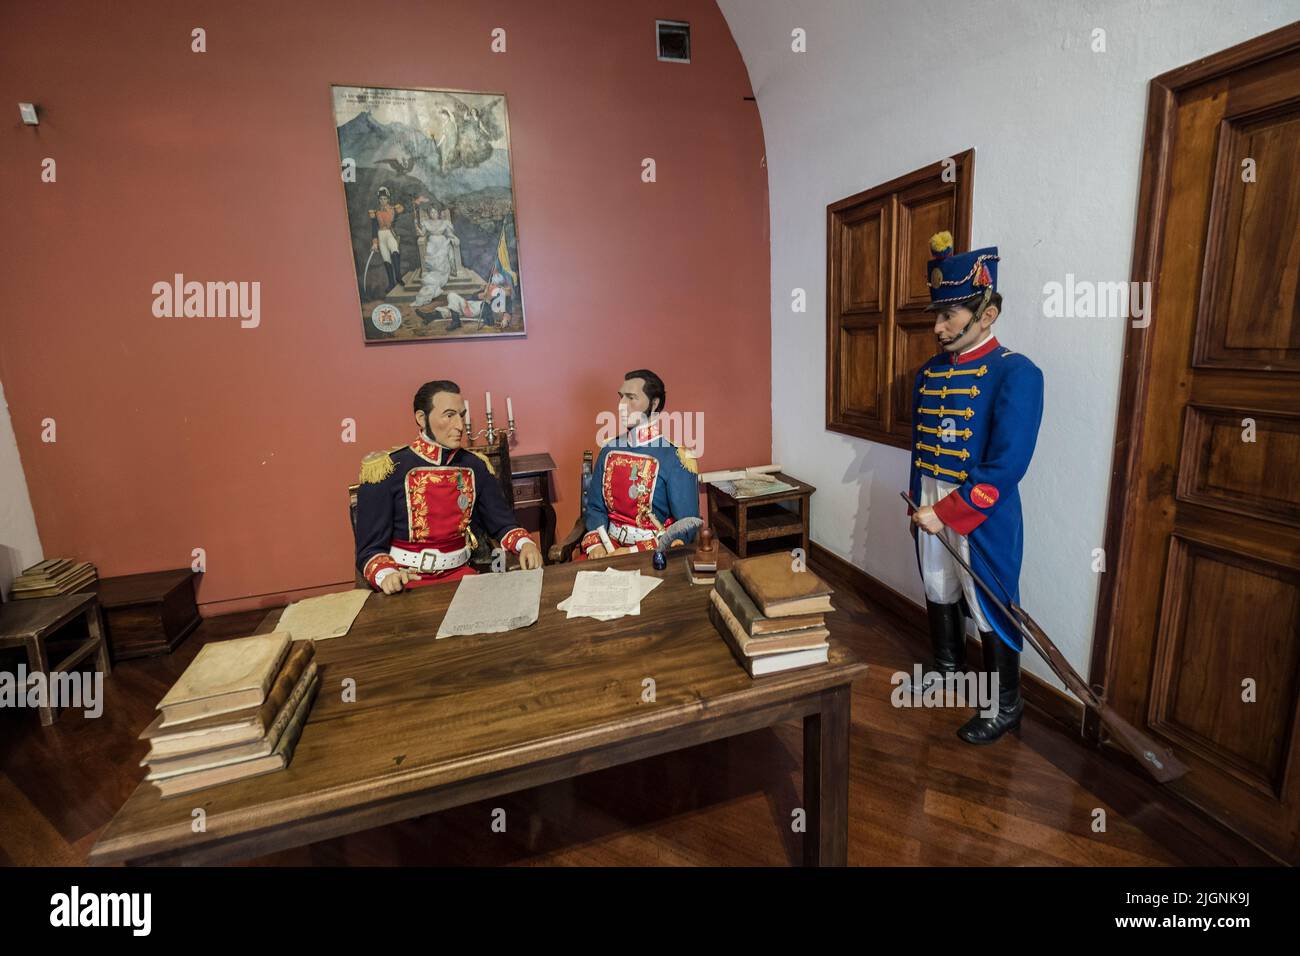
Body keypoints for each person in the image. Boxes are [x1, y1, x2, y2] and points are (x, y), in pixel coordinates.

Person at [908, 231, 1044, 744]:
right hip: (929, 493)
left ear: (987, 314)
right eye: (937, 316)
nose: (938, 328)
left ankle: (1006, 705)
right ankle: (946, 667)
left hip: (978, 508)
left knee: (988, 602)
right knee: (938, 583)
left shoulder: (1017, 373)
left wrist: (948, 512)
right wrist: (926, 502)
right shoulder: (929, 374)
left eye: (950, 317)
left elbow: (1007, 464)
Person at [355, 380, 542, 593]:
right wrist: (387, 575)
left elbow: (502, 524)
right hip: (406, 581)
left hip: (462, 577)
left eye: (461, 415)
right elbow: (369, 550)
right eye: (449, 415)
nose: (460, 426)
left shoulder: (476, 466)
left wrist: (526, 544)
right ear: (421, 419)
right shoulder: (387, 470)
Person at [581, 369, 700, 559]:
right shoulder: (608, 450)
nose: (621, 405)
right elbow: (595, 508)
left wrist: (631, 551)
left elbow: (687, 525)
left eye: (631, 398)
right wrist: (596, 545)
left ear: (654, 403)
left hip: (653, 553)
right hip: (606, 547)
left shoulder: (676, 457)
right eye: (621, 397)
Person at [369, 187, 406, 293]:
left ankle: (398, 276)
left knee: (394, 251)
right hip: (381, 235)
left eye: (385, 198)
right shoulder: (375, 213)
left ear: (388, 199)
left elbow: (404, 212)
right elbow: (374, 228)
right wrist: (375, 243)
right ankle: (391, 282)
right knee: (386, 259)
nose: (383, 201)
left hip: (390, 233)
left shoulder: (394, 209)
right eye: (381, 199)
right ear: (378, 200)